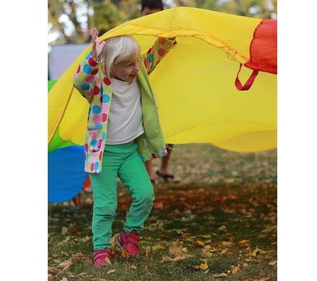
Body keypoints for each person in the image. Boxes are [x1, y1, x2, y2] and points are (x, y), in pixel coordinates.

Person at [73, 27, 176, 267]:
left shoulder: (139, 73)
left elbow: (154, 56)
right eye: (128, 65)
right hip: (104, 154)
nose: (136, 68)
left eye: (136, 62)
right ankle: (101, 249)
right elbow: (80, 81)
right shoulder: (99, 84)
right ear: (111, 65)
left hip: (129, 151)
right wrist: (93, 58)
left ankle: (128, 234)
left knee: (145, 194)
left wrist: (169, 35)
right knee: (106, 205)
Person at [140, 0, 179, 184]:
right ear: (141, 12)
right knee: (144, 129)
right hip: (145, 88)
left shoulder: (167, 32)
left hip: (167, 86)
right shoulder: (135, 33)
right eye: (148, 13)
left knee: (171, 126)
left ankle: (164, 168)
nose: (151, 18)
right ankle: (149, 171)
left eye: (155, 14)